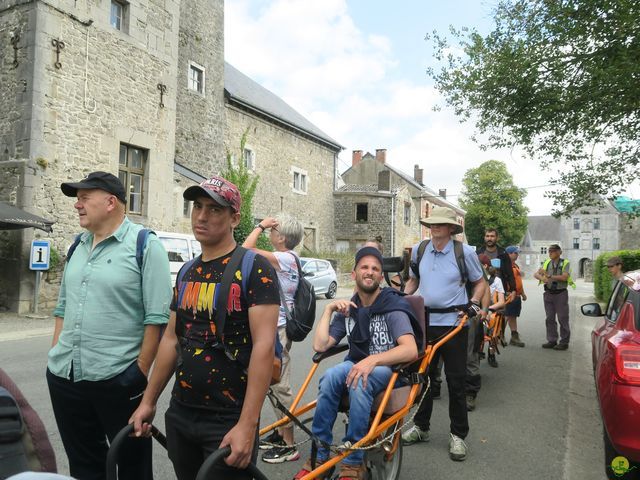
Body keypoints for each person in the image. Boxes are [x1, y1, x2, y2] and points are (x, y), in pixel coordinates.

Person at [130, 176, 281, 480]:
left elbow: (264, 349)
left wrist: (247, 425)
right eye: (197, 206)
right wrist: (148, 401)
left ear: (234, 218)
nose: (201, 216)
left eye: (214, 209)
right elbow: (172, 339)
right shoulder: (187, 270)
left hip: (228, 418)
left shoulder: (254, 268)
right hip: (181, 413)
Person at [46, 171, 172, 480]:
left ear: (111, 202)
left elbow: (157, 317)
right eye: (78, 200)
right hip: (66, 376)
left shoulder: (145, 244)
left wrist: (139, 371)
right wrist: (55, 354)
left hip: (118, 377)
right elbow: (62, 306)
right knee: (85, 466)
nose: (78, 205)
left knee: (132, 467)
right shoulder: (77, 246)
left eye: (85, 198)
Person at [292, 247, 420, 480]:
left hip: (389, 370)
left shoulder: (392, 306)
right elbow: (321, 346)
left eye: (375, 269)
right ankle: (319, 454)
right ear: (354, 274)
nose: (369, 272)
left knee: (359, 381)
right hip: (356, 364)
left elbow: (410, 349)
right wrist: (329, 310)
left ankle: (353, 462)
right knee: (330, 377)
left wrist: (372, 360)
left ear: (381, 277)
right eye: (364, 267)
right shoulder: (349, 309)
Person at [401, 206, 485, 462]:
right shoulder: (420, 249)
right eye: (431, 223)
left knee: (456, 381)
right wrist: (403, 299)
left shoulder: (464, 252)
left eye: (439, 224)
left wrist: (474, 304)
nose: (434, 227)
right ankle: (421, 427)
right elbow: (413, 280)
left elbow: (480, 282)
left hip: (454, 324)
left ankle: (458, 436)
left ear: (451, 228)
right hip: (424, 322)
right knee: (422, 378)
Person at [242, 214, 304, 464]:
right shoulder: (287, 258)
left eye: (273, 231)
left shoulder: (285, 258)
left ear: (281, 237)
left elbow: (245, 250)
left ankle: (290, 445)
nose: (270, 233)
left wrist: (259, 226)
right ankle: (280, 432)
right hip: (275, 327)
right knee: (268, 381)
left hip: (279, 329)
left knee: (279, 385)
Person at [534, 244, 574, 351]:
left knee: (562, 318)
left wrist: (549, 276)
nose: (550, 253)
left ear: (559, 252)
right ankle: (552, 340)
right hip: (548, 293)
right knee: (550, 318)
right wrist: (543, 278)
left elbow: (565, 277)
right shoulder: (547, 262)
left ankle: (564, 342)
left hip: (560, 294)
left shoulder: (565, 263)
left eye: (553, 251)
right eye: (549, 251)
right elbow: (536, 274)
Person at [504, 246, 526, 347]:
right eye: (515, 253)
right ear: (509, 254)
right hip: (509, 295)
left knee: (512, 316)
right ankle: (499, 335)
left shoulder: (515, 265)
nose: (517, 255)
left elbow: (518, 282)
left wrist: (522, 293)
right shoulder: (504, 266)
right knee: (506, 316)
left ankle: (513, 336)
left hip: (516, 295)